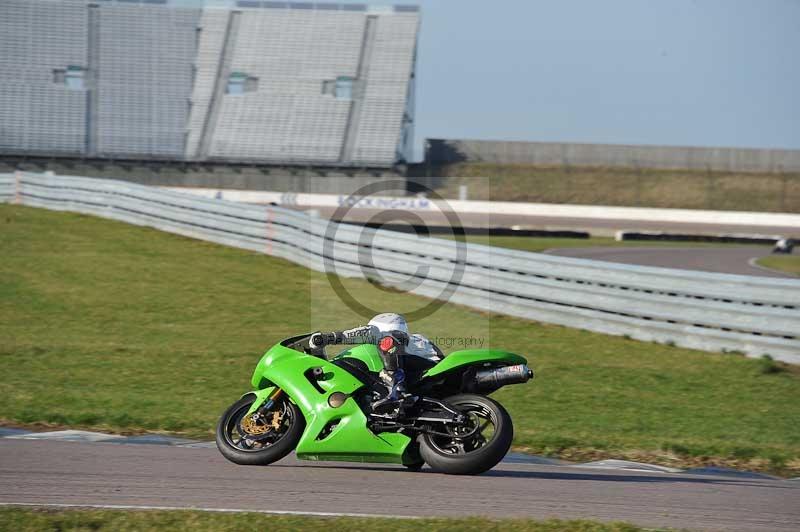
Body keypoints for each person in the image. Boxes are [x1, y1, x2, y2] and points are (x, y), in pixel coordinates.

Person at [309, 313, 441, 416]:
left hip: (424, 374)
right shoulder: (419, 339)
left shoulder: (389, 337)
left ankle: (397, 391)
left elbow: (364, 332)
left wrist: (327, 338)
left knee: (387, 342)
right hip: (428, 377)